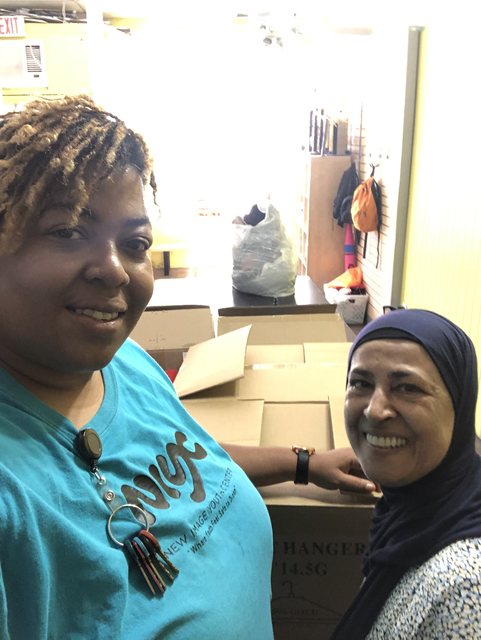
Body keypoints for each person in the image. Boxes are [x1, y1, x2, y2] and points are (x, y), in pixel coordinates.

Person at [0, 95, 375, 640]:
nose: (115, 269)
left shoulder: (124, 364)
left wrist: (304, 463)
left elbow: (189, 456)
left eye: (135, 244)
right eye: (67, 232)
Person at [331, 308, 481, 639]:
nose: (375, 410)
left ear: (459, 403)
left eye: (408, 388)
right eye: (361, 383)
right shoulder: (417, 512)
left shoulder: (464, 590)